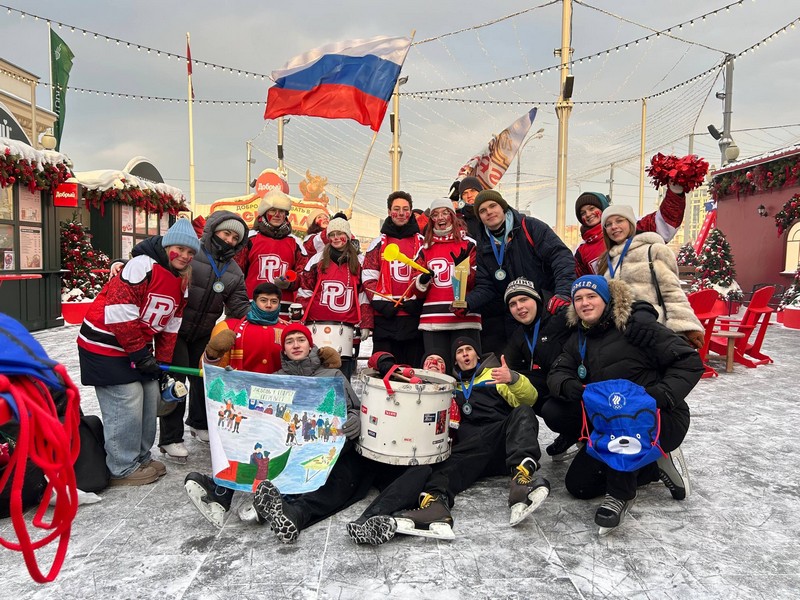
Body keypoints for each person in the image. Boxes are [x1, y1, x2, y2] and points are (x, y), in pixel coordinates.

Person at [547, 275, 703, 532]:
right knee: (579, 486)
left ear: (607, 299)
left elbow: (689, 361)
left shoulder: (637, 326)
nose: (584, 303)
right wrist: (567, 384)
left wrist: (659, 395)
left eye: (591, 296)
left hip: (661, 417)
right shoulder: (579, 338)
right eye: (578, 299)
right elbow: (558, 371)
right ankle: (653, 466)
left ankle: (620, 495)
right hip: (611, 425)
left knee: (626, 414)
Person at [184, 323, 362, 532]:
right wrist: (233, 381)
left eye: (301, 340)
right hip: (287, 436)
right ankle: (221, 492)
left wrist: (354, 418)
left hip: (318, 442)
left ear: (310, 345)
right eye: (290, 341)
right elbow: (256, 401)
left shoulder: (332, 376)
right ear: (284, 349)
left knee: (296, 457)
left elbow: (355, 407)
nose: (296, 345)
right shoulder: (276, 378)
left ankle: (275, 499)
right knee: (254, 443)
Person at [112, 211, 251, 458]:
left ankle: (199, 423)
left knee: (204, 378)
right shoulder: (192, 253)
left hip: (204, 332)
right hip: (174, 329)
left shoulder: (234, 271)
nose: (229, 240)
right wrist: (121, 262)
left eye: (235, 238)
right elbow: (155, 259)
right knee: (176, 381)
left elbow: (239, 304)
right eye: (226, 233)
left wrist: (262, 315)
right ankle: (170, 437)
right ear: (214, 231)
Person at [77, 218, 200, 485]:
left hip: (135, 348)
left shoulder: (181, 281)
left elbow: (170, 327)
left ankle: (141, 457)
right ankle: (121, 467)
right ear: (168, 246)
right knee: (128, 399)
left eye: (191, 252)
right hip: (104, 344)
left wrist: (161, 366)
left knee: (149, 396)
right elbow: (120, 312)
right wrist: (141, 355)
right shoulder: (142, 265)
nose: (185, 255)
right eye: (180, 249)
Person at [393, 337, 550, 536]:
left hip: (501, 445)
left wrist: (513, 379)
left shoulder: (495, 375)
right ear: (455, 360)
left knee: (523, 411)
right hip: (473, 453)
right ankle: (436, 507)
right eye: (460, 352)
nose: (465, 354)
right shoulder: (450, 386)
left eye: (469, 349)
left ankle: (521, 481)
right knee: (439, 468)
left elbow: (530, 399)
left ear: (477, 354)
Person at [464, 189, 575, 356]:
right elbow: (486, 286)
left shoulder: (530, 226)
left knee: (552, 358)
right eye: (483, 210)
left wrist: (563, 292)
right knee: (521, 361)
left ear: (503, 207)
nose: (489, 212)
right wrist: (467, 303)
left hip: (546, 308)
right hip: (515, 314)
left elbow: (561, 257)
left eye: (493, 206)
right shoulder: (483, 244)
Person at [597, 205, 705, 349]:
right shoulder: (607, 259)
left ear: (630, 223)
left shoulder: (654, 250)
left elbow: (671, 291)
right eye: (608, 224)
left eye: (619, 220)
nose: (614, 227)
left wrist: (687, 326)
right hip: (619, 335)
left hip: (652, 330)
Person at [501, 277, 578, 462]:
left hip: (576, 383)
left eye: (524, 299)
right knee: (514, 383)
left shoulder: (559, 317)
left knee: (552, 411)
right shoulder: (520, 334)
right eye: (513, 304)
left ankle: (585, 433)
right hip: (553, 382)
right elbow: (511, 367)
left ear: (536, 299)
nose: (519, 307)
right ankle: (571, 432)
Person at [297, 216, 372, 380]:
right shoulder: (317, 259)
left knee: (342, 376)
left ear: (348, 236)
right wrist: (302, 317)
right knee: (316, 372)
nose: (336, 238)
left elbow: (363, 294)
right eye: (332, 234)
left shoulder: (360, 261)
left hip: (347, 325)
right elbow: (305, 290)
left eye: (340, 233)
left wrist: (366, 322)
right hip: (317, 324)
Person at [414, 198, 480, 373]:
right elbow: (415, 290)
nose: (440, 218)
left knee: (467, 371)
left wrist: (464, 271)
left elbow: (479, 283)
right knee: (436, 373)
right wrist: (422, 281)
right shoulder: (424, 248)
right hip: (433, 321)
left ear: (452, 215)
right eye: (435, 214)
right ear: (431, 219)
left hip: (465, 319)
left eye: (445, 213)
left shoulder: (469, 244)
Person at [362, 191, 425, 367]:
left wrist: (417, 302)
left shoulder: (422, 243)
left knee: (412, 371)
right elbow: (368, 277)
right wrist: (381, 304)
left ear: (411, 212)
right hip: (385, 317)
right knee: (384, 370)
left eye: (405, 209)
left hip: (413, 317)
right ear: (389, 212)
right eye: (396, 209)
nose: (401, 213)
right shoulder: (378, 243)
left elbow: (428, 275)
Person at [573, 184, 687, 276]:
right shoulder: (582, 252)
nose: (588, 214)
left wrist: (675, 192)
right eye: (583, 213)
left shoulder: (633, 230)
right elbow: (580, 282)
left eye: (592, 208)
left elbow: (664, 221)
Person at [236, 190, 307, 319]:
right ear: (264, 212)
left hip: (283, 309)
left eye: (282, 211)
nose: (277, 215)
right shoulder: (249, 239)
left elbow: (304, 276)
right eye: (273, 210)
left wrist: (290, 283)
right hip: (252, 307)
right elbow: (236, 273)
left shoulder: (295, 242)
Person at [201, 282, 286, 374]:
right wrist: (212, 354)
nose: (268, 305)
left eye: (274, 301)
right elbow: (207, 371)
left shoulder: (287, 330)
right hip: (236, 383)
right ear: (254, 303)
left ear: (279, 305)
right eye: (263, 300)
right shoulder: (228, 326)